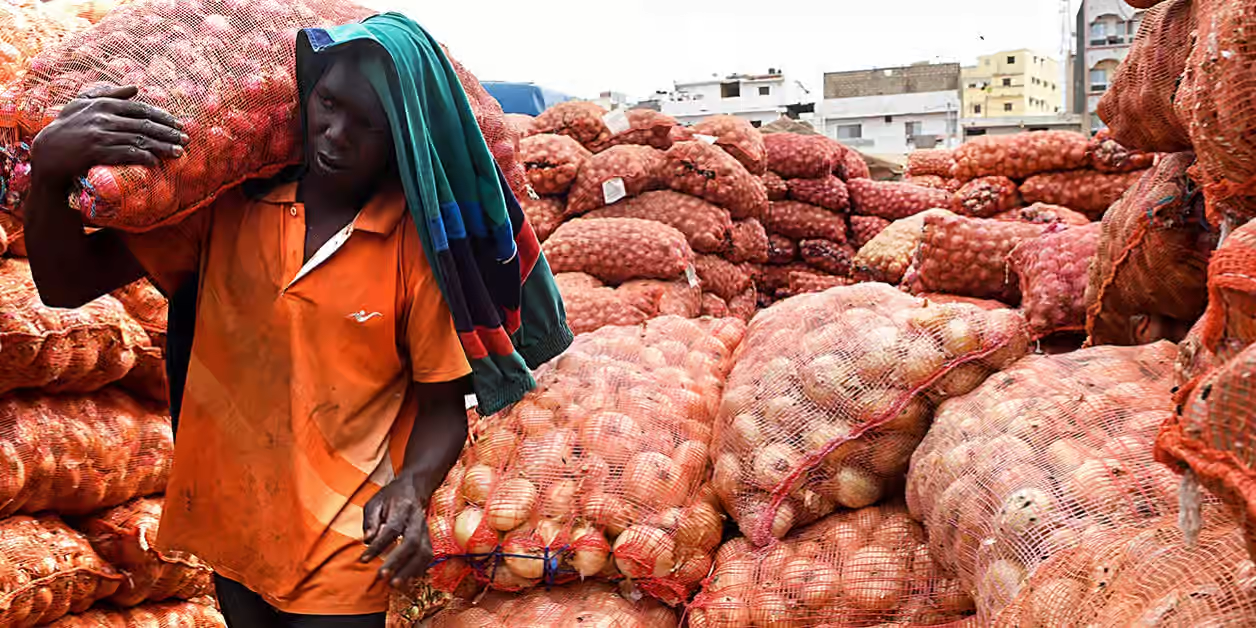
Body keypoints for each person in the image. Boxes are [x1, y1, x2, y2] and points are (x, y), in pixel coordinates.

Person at [23, 13, 570, 628]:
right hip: (235, 528)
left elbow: (440, 405)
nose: (336, 135)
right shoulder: (228, 210)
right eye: (329, 104)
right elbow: (65, 285)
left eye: (369, 124)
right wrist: (47, 175)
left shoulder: (412, 247)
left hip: (346, 541)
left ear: (402, 139)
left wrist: (411, 489)